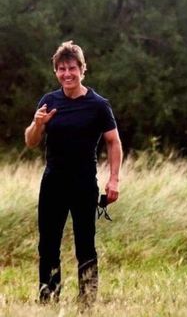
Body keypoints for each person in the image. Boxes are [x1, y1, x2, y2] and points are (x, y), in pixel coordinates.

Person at [24, 41, 122, 306]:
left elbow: (113, 141)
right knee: (48, 245)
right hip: (53, 181)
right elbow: (31, 141)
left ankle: (87, 302)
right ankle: (48, 299)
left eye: (72, 68)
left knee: (85, 245)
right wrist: (37, 123)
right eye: (61, 69)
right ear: (56, 71)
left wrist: (113, 179)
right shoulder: (49, 101)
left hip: (83, 183)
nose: (67, 74)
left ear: (82, 69)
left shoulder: (98, 105)